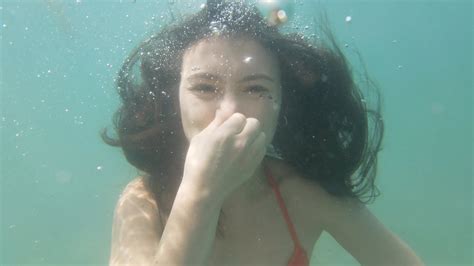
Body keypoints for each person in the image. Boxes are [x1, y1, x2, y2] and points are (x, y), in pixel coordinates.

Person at [103, 1, 424, 265]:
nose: (229, 111)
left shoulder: (306, 192)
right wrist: (201, 193)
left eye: (255, 88)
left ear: (284, 104)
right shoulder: (143, 201)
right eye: (204, 87)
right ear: (174, 101)